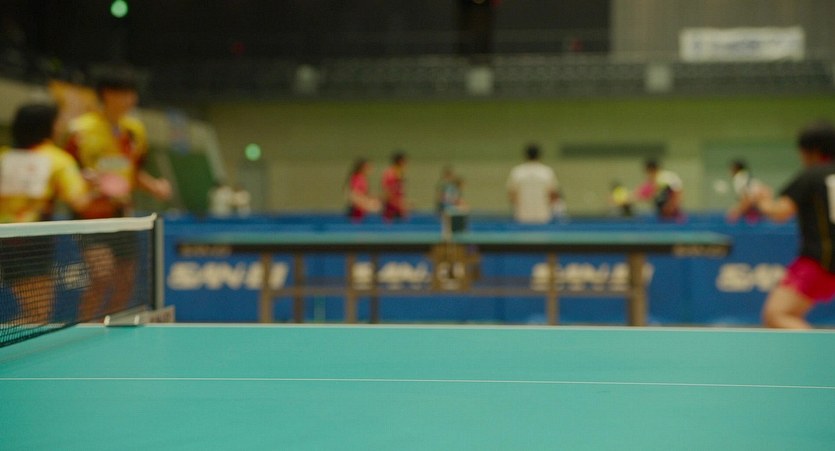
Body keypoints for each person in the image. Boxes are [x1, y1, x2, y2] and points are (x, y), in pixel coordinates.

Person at [63, 67, 172, 320]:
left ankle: (110, 328)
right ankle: (85, 327)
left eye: (132, 93)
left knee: (125, 282)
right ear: (106, 94)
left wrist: (154, 186)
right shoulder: (80, 130)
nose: (131, 99)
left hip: (122, 214)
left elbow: (133, 172)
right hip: (91, 216)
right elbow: (66, 169)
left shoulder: (134, 130)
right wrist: (85, 180)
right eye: (124, 93)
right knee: (101, 276)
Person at [0, 103, 90, 323]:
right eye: (58, 122)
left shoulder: (4, 157)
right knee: (38, 314)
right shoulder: (58, 160)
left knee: (36, 313)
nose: (60, 127)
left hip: (5, 236)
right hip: (30, 242)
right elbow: (80, 202)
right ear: (48, 126)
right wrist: (101, 188)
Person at [754, 120, 835, 329]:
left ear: (812, 150)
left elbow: (780, 212)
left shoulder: (812, 176)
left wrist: (762, 200)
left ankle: (821, 349)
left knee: (776, 314)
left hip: (820, 260)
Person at [506, 144, 559, 224]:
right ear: (539, 155)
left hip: (522, 217)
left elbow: (512, 196)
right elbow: (554, 195)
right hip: (543, 217)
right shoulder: (547, 172)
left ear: (525, 155)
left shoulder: (517, 172)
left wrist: (520, 208)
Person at [726, 159, 763, 223]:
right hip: (759, 206)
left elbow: (747, 198)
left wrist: (736, 212)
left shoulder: (739, 178)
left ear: (735, 168)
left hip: (759, 206)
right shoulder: (746, 176)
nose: (729, 171)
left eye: (731, 168)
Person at [381, 151, 408, 222]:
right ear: (400, 161)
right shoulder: (390, 173)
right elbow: (387, 189)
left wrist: (402, 203)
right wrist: (396, 203)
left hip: (398, 204)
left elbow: (400, 189)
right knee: (388, 222)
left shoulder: (400, 172)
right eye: (404, 161)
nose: (406, 164)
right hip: (391, 204)